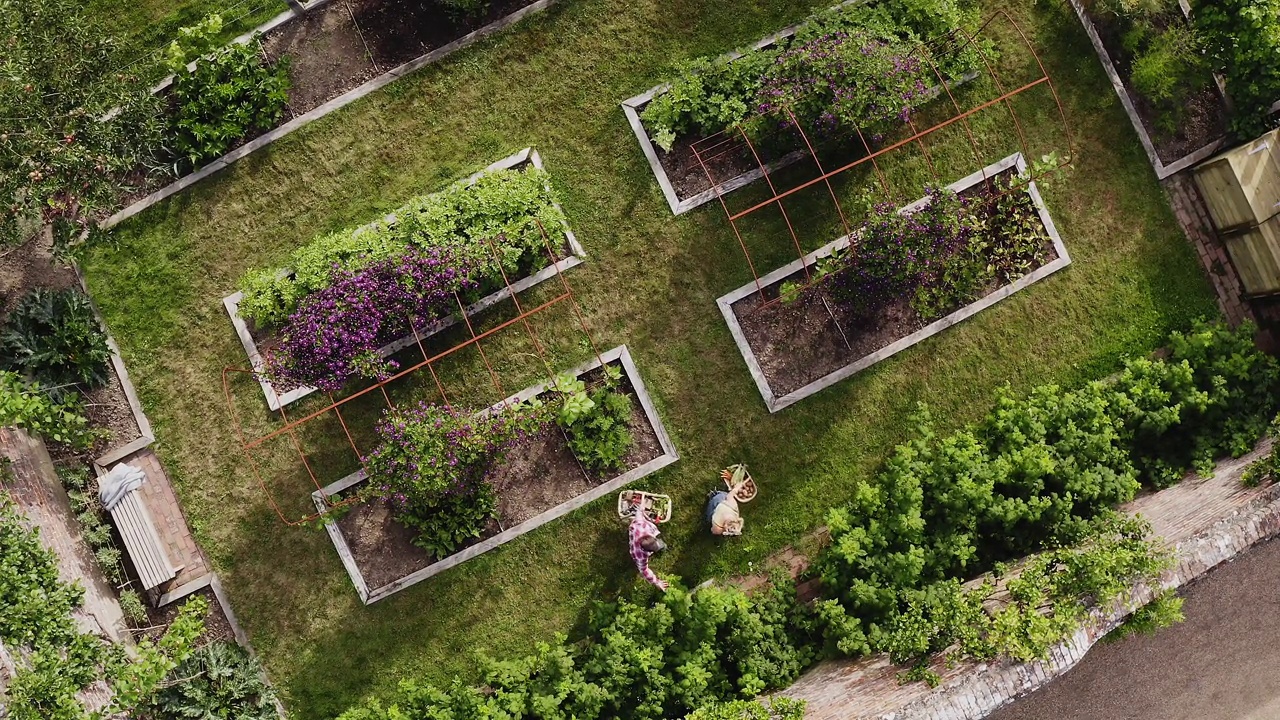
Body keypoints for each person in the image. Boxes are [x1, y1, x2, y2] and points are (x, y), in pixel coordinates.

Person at [628, 506, 669, 591]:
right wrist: (656, 582)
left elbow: (639, 512)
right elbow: (644, 570)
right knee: (662, 546)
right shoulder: (639, 554)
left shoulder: (641, 526)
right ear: (646, 552)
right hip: (635, 535)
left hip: (638, 527)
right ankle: (662, 548)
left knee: (660, 545)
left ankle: (661, 546)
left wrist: (641, 508)